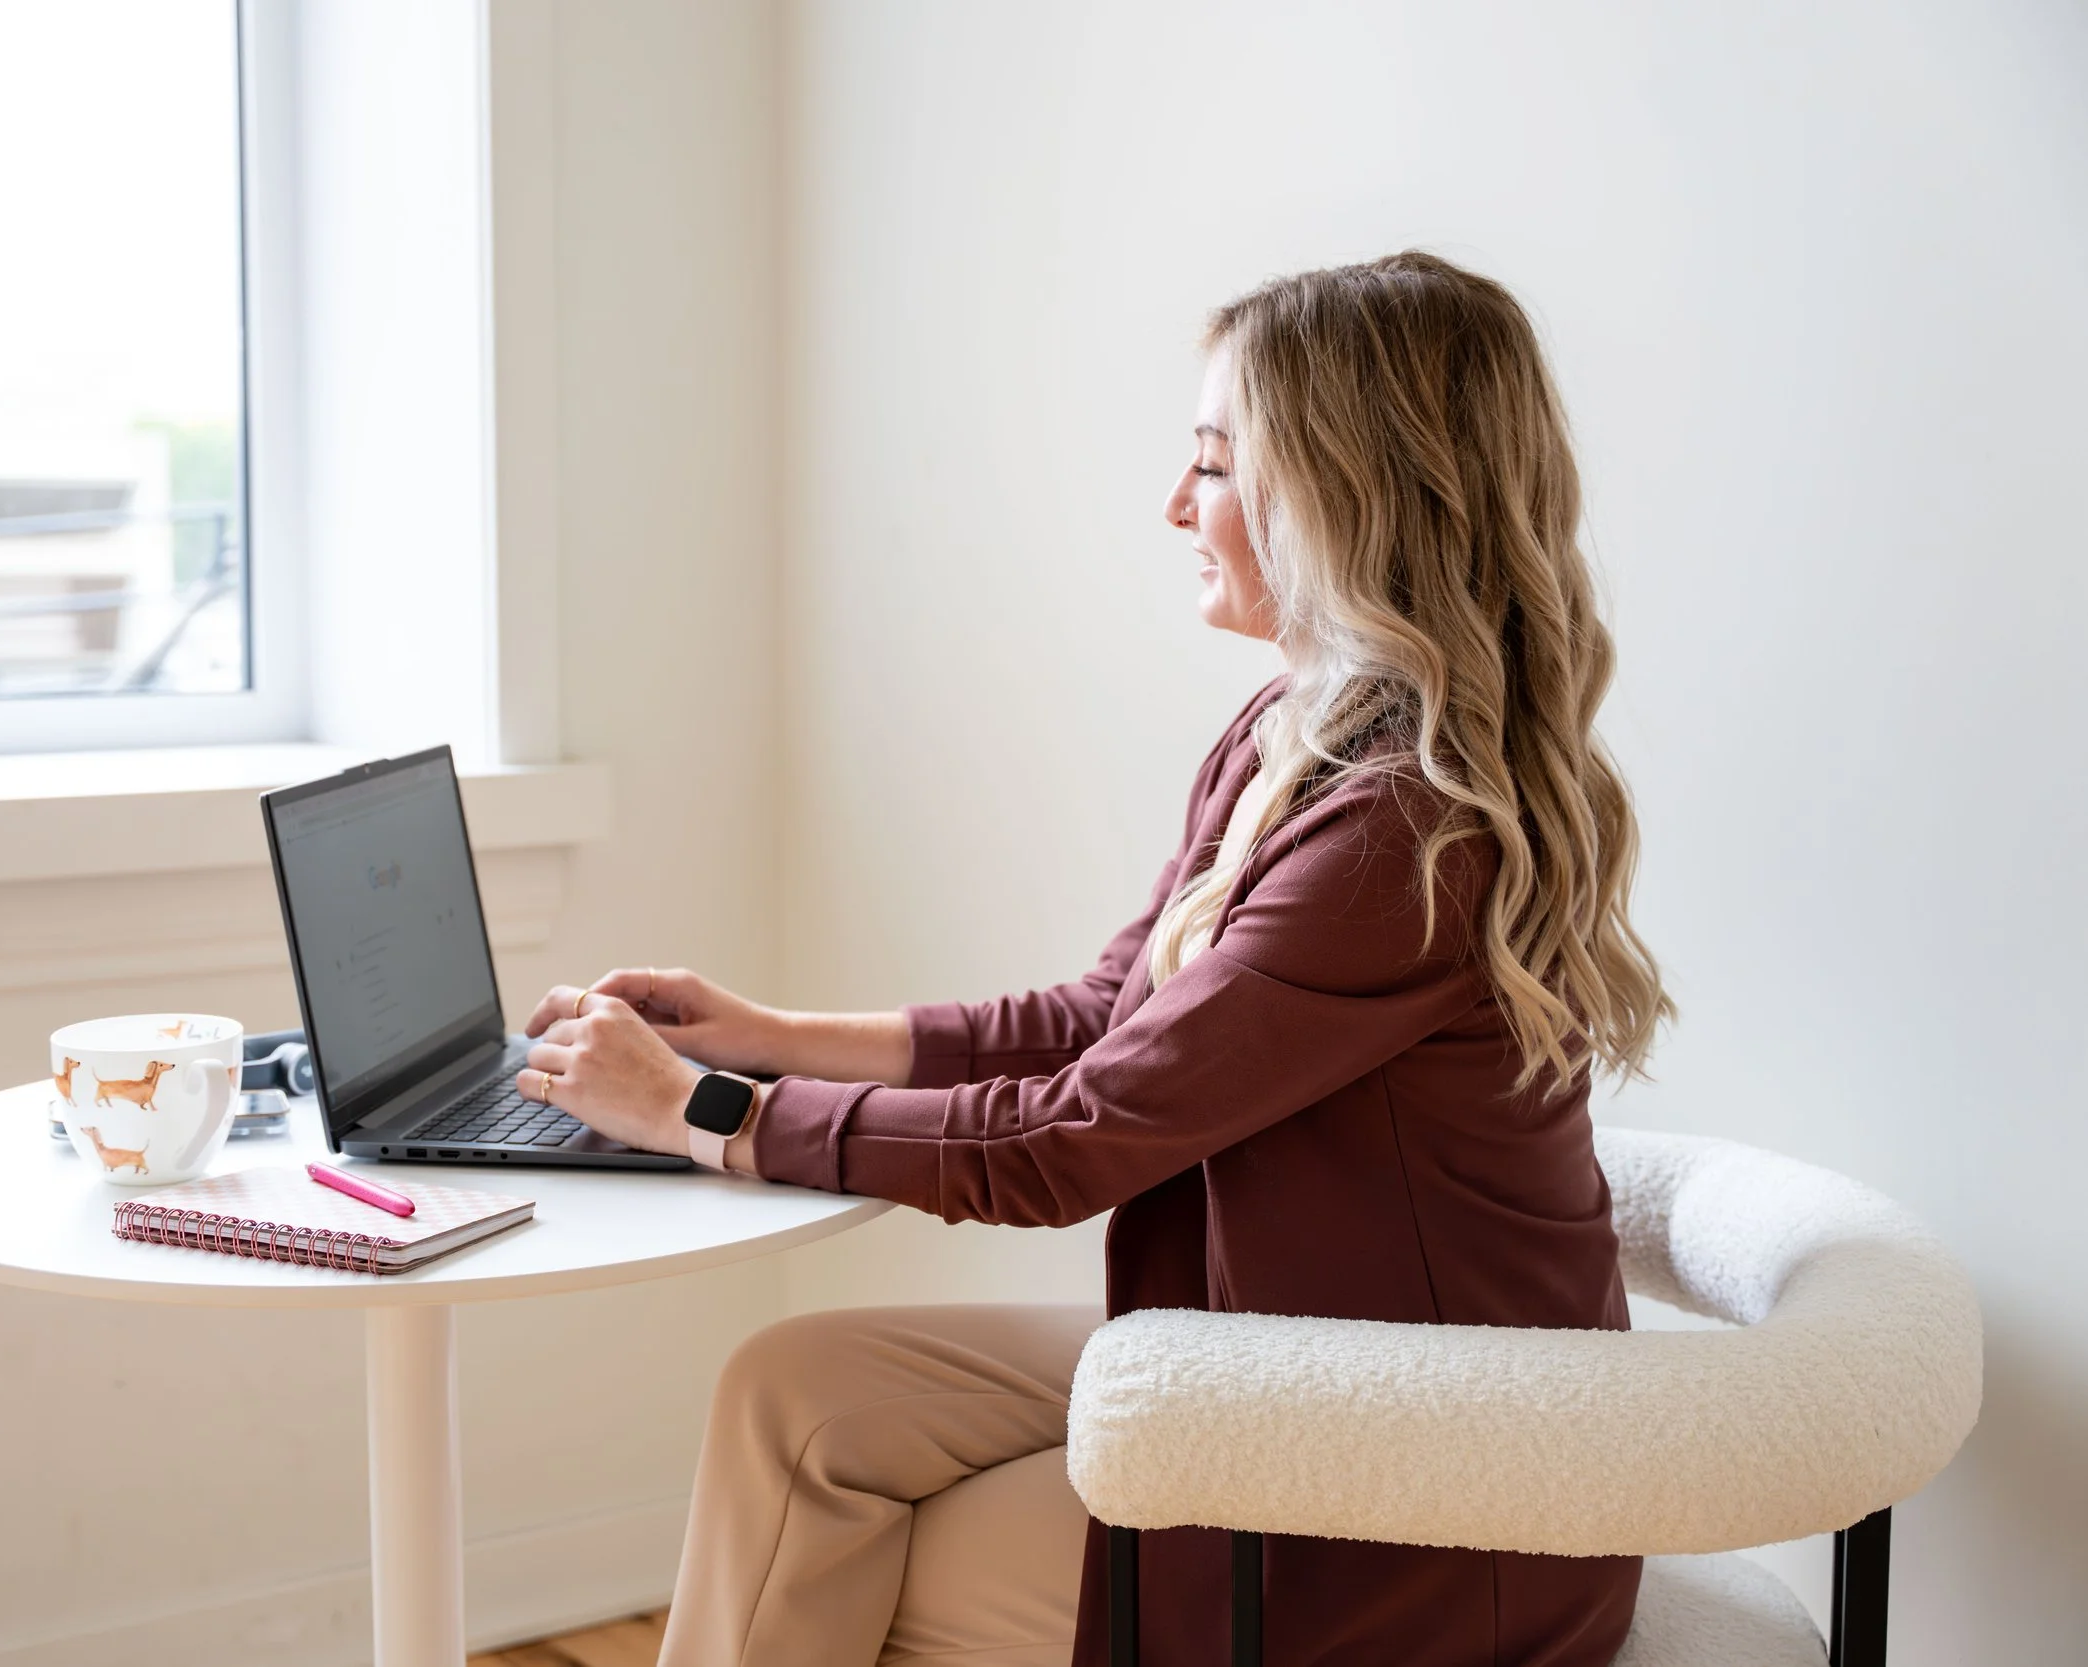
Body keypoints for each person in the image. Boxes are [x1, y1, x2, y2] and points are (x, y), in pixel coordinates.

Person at [512, 251, 1673, 1667]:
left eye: (1215, 464)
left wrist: (701, 1113)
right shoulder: (1288, 737)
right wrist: (761, 1034)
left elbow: (1073, 1139)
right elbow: (1099, 1020)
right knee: (796, 1393)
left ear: (1346, 490)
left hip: (1425, 1472)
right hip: (1276, 1357)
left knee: (839, 1544)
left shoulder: (1403, 835)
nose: (1176, 505)